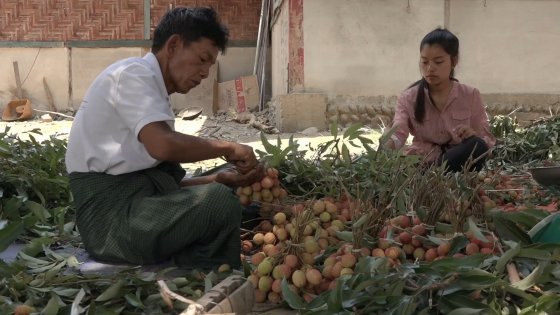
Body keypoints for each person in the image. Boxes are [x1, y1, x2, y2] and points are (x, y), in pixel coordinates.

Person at [65, 7, 264, 269]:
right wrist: (227, 147)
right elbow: (163, 146)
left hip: (136, 205)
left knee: (226, 184)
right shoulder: (133, 75)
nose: (205, 73)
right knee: (219, 202)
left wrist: (217, 178)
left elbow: (158, 183)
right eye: (202, 59)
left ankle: (206, 236)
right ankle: (204, 269)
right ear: (173, 45)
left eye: (210, 64)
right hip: (112, 226)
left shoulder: (152, 89)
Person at [384, 28, 495, 172]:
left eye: (438, 62)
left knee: (477, 145)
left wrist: (472, 135)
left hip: (458, 164)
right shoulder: (408, 98)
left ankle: (432, 174)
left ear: (453, 61)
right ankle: (432, 174)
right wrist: (386, 144)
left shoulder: (470, 95)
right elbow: (398, 133)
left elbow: (486, 140)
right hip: (421, 162)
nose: (430, 68)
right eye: (424, 62)